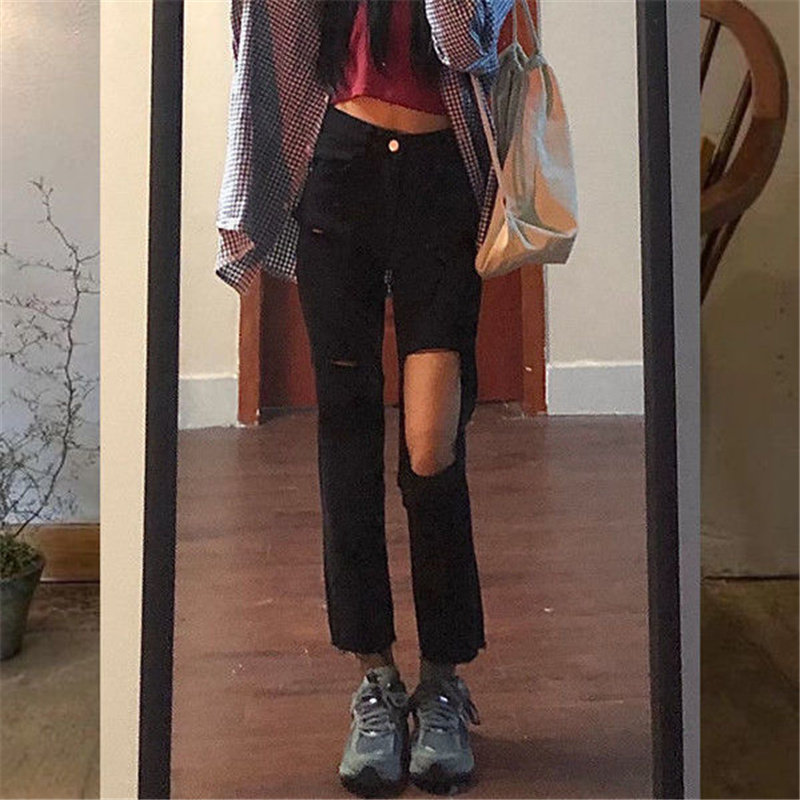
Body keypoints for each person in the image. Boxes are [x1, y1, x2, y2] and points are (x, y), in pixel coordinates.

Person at [215, 0, 514, 794]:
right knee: (346, 435)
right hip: (339, 171)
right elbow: (255, 40)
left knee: (432, 444)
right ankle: (375, 678)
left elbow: (466, 43)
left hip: (443, 180)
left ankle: (443, 680)